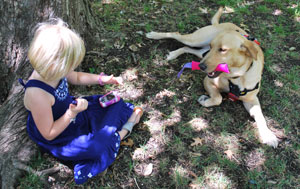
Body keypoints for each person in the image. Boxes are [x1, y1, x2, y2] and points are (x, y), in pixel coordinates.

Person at [19, 18, 143, 184]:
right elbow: (48, 134)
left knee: (113, 101)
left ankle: (110, 130)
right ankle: (122, 132)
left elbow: (76, 77)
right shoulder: (38, 95)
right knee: (97, 146)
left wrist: (103, 79)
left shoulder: (54, 68)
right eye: (70, 65)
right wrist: (72, 113)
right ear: (55, 64)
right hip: (61, 135)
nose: (70, 69)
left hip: (73, 113)